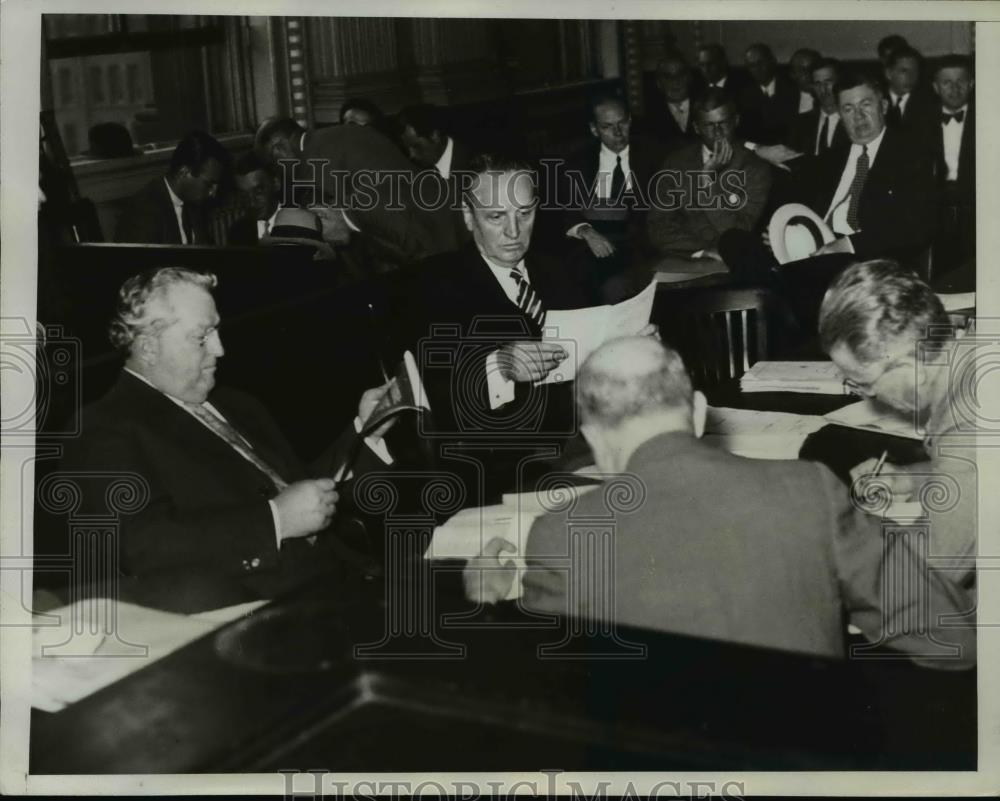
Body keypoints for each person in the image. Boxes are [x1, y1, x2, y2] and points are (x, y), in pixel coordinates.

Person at [465, 335, 975, 667]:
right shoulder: (810, 492)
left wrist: (488, 607)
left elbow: (530, 710)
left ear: (592, 438)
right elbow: (952, 637)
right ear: (700, 413)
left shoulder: (557, 538)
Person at [55, 267, 393, 612]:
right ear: (148, 347)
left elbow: (300, 492)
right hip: (255, 613)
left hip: (345, 581)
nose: (220, 349)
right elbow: (143, 545)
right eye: (201, 337)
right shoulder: (103, 426)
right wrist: (275, 520)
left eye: (217, 330)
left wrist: (365, 431)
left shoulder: (237, 404)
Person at [719, 71, 936, 334]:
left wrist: (846, 243)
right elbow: (788, 170)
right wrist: (776, 232)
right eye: (848, 108)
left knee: (792, 276)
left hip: (863, 258)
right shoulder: (831, 160)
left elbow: (915, 226)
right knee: (733, 240)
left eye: (866, 105)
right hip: (815, 250)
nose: (858, 116)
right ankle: (783, 308)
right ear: (840, 115)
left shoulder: (912, 154)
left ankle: (782, 322)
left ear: (884, 106)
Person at [819, 260, 976, 613]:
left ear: (909, 369)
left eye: (863, 383)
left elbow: (928, 573)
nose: (865, 396)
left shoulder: (971, 422)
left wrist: (827, 557)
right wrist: (910, 479)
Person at [254, 116, 462, 266]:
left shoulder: (313, 164)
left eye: (274, 165)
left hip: (432, 240)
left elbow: (346, 226)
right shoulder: (335, 136)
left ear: (279, 149)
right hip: (441, 216)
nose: (281, 175)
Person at [646, 89, 771, 269]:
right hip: (683, 257)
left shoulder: (755, 168)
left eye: (723, 123)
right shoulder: (676, 162)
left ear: (736, 121)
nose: (718, 132)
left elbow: (738, 234)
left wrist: (708, 179)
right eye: (709, 125)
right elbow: (657, 226)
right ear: (696, 127)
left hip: (731, 263)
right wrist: (701, 251)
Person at [560, 92, 663, 300]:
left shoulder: (654, 153)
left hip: (645, 243)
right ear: (594, 129)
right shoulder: (577, 161)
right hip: (596, 246)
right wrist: (586, 231)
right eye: (607, 127)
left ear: (630, 120)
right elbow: (565, 210)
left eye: (622, 123)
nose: (618, 133)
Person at [114, 131, 229, 245]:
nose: (213, 193)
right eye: (209, 184)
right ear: (184, 172)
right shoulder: (143, 213)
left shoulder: (194, 202)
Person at [928, 54, 975, 278]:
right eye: (947, 82)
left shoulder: (988, 118)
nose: (954, 89)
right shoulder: (920, 122)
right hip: (935, 208)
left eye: (961, 82)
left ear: (972, 84)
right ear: (936, 87)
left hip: (975, 204)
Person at [738, 43, 800, 144]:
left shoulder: (792, 88)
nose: (758, 69)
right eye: (752, 66)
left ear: (772, 61)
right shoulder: (744, 95)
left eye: (761, 63)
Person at [787, 58, 850, 156]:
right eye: (818, 84)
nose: (823, 89)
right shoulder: (801, 123)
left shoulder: (852, 120)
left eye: (828, 82)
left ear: (840, 82)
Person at [397, 103, 471, 178]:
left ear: (435, 136)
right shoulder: (423, 170)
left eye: (416, 147)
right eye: (407, 148)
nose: (412, 155)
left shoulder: (470, 166)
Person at [645, 54, 699, 150]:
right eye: (668, 76)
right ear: (659, 83)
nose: (675, 81)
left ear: (689, 78)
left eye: (680, 74)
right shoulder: (649, 116)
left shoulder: (703, 106)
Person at [227, 151, 282, 245]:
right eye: (244, 195)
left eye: (258, 192)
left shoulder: (301, 224)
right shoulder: (238, 232)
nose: (252, 203)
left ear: (276, 183)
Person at [883, 46, 936, 136]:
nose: (911, 77)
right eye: (904, 71)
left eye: (915, 71)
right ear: (888, 73)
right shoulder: (877, 99)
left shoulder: (928, 103)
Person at [789, 47, 821, 114]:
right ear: (793, 74)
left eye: (812, 68)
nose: (808, 73)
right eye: (802, 70)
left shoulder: (831, 98)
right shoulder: (785, 102)